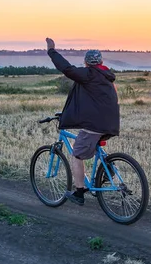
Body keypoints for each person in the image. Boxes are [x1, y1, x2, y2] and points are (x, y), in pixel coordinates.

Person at [45, 37, 120, 205]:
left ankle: (79, 193)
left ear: (86, 63)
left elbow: (66, 68)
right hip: (112, 123)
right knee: (93, 146)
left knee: (77, 155)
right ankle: (107, 171)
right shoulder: (107, 76)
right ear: (101, 61)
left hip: (96, 124)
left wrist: (51, 50)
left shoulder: (88, 75)